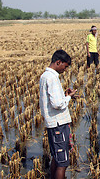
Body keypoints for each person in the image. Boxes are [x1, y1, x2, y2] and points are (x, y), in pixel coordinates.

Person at [39, 49, 77, 179]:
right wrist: (68, 98)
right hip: (58, 124)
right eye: (65, 67)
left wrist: (65, 95)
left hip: (53, 124)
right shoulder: (52, 77)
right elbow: (57, 104)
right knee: (63, 162)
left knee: (57, 157)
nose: (65, 70)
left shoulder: (45, 76)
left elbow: (54, 100)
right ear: (58, 62)